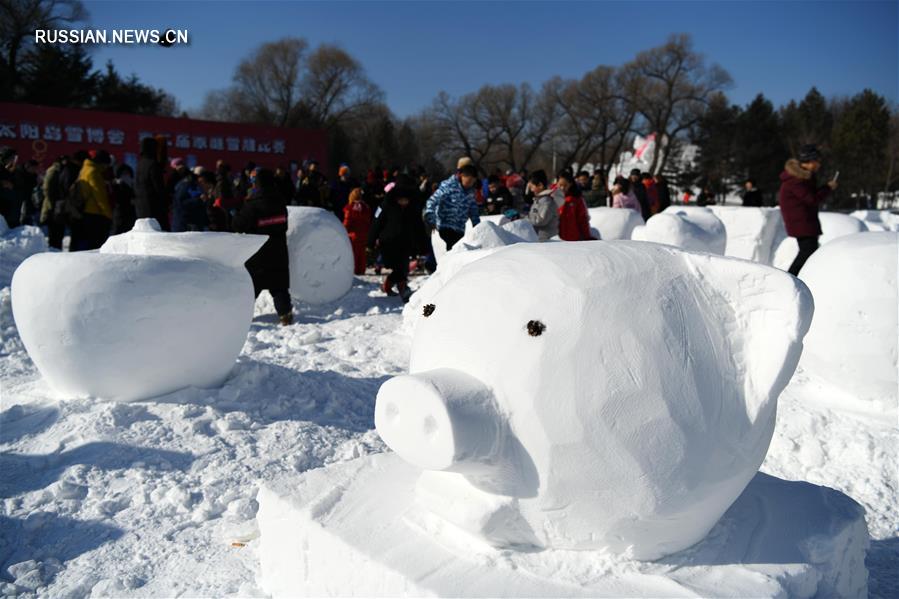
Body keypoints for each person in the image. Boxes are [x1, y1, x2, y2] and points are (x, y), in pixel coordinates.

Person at [231, 167, 293, 326]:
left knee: (252, 287)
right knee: (279, 286)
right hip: (278, 251)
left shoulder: (252, 204)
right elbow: (284, 224)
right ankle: (285, 315)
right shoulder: (280, 201)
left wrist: (234, 215)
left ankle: (241, 317)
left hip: (258, 253)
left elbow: (239, 225)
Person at [778, 144, 837, 276]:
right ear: (809, 161)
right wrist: (827, 188)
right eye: (817, 161)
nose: (819, 164)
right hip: (801, 223)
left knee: (809, 252)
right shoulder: (796, 180)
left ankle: (798, 278)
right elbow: (812, 199)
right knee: (807, 253)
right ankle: (790, 279)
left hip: (804, 222)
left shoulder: (803, 177)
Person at [369, 184, 426, 302]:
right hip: (388, 243)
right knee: (398, 268)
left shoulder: (412, 209)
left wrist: (422, 244)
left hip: (405, 243)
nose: (404, 202)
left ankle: (397, 287)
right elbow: (376, 224)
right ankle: (396, 287)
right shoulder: (385, 206)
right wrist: (370, 241)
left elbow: (418, 227)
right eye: (401, 200)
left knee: (403, 267)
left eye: (406, 200)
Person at [424, 163, 480, 251]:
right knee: (452, 250)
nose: (469, 184)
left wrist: (478, 227)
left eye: (472, 182)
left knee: (458, 250)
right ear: (462, 176)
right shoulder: (448, 186)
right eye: (468, 181)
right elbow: (432, 201)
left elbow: (474, 212)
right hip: (444, 226)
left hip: (459, 229)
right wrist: (430, 217)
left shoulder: (471, 193)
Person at [72, 149, 113, 250]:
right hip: (95, 213)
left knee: (86, 242)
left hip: (85, 211)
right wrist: (109, 214)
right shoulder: (94, 172)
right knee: (95, 245)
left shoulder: (85, 169)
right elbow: (100, 195)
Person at [135, 137, 168, 229]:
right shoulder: (153, 164)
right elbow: (158, 187)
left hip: (141, 207)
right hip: (154, 207)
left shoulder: (140, 164)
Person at [556, 171, 594, 241]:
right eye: (560, 185)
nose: (562, 188)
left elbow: (583, 219)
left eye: (565, 185)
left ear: (570, 184)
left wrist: (587, 236)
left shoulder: (576, 199)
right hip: (555, 239)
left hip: (572, 238)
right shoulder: (551, 197)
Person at [343, 187, 372, 275]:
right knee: (362, 254)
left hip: (353, 235)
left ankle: (355, 270)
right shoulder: (366, 207)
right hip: (364, 234)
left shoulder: (350, 208)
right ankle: (361, 269)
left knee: (354, 254)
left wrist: (343, 229)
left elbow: (347, 222)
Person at [527, 170, 559, 241]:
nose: (531, 190)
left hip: (547, 240)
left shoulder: (546, 201)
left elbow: (541, 220)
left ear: (540, 185)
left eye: (532, 187)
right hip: (539, 237)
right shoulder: (538, 200)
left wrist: (526, 220)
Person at [110, 164, 136, 234]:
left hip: (130, 216)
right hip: (119, 216)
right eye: (124, 173)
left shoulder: (133, 186)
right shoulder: (116, 185)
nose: (126, 175)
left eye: (127, 173)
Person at [0, 147, 19, 227]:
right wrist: (2, 183)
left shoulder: (6, 168)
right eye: (11, 158)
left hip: (6, 206)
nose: (13, 160)